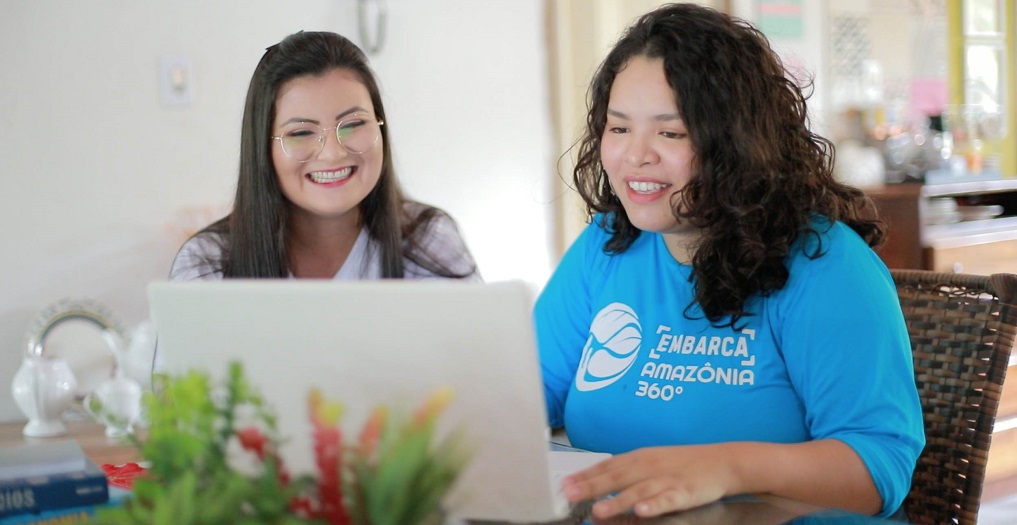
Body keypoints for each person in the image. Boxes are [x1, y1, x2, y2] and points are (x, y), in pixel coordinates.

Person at [534, 4, 923, 520]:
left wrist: (729, 467)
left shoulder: (823, 263)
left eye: (671, 133)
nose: (635, 156)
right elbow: (524, 396)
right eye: (619, 128)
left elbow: (879, 468)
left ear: (737, 143)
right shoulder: (606, 244)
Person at [170, 31, 479, 281]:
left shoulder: (429, 241)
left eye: (354, 124)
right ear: (263, 147)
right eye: (301, 132)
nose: (332, 153)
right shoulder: (207, 265)